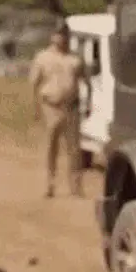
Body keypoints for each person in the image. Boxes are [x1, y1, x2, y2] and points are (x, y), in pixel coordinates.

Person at [30, 21, 90, 198]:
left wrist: (88, 104)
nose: (61, 38)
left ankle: (76, 187)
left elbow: (87, 83)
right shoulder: (42, 57)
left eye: (64, 35)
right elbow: (34, 85)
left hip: (71, 108)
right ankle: (48, 185)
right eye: (58, 34)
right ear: (52, 36)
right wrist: (35, 108)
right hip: (51, 107)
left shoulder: (75, 59)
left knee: (74, 150)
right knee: (50, 148)